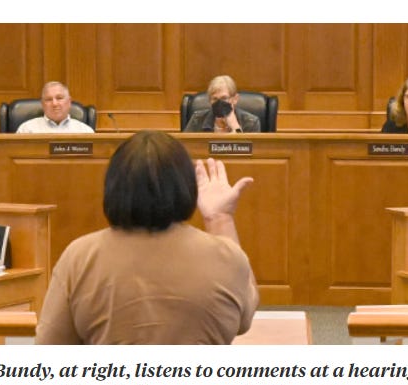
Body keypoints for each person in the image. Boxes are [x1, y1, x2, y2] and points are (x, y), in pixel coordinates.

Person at [36, 130, 259, 344]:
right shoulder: (226, 256)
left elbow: (51, 346)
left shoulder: (80, 256)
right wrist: (220, 219)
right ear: (186, 186)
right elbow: (245, 317)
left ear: (113, 187)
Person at [184, 75, 261, 133]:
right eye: (215, 99)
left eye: (224, 98)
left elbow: (250, 149)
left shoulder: (251, 123)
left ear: (235, 99)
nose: (219, 103)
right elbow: (186, 146)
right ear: (209, 100)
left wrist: (235, 127)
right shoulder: (197, 120)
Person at [16, 81, 94, 133]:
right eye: (49, 99)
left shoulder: (85, 131)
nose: (54, 104)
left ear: (69, 101)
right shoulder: (26, 130)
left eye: (59, 98)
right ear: (42, 104)